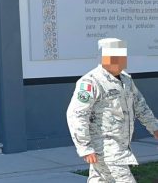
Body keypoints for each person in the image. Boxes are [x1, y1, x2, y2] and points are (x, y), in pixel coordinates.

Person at [66, 38, 158, 183]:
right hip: (105, 148)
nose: (119, 61)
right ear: (104, 57)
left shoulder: (126, 80)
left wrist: (154, 128)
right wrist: (85, 147)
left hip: (121, 145)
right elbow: (77, 114)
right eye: (114, 57)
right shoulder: (91, 81)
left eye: (121, 56)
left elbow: (141, 106)